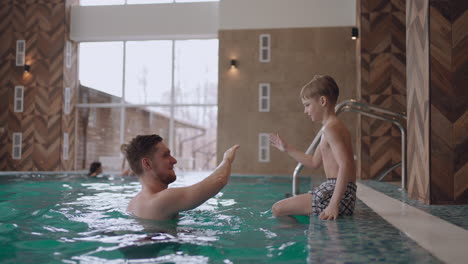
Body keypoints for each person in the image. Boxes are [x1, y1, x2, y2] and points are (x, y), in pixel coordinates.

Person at [269, 75, 356, 221]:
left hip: (338, 193)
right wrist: (287, 148)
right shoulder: (329, 128)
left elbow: (345, 165)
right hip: (338, 191)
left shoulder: (332, 129)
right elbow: (314, 162)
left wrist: (333, 204)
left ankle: (296, 240)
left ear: (322, 101)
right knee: (279, 209)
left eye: (307, 105)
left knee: (277, 209)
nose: (305, 111)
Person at [125, 134, 240, 220]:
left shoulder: (133, 204)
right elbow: (219, 180)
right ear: (147, 164)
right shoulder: (160, 200)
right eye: (165, 155)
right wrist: (227, 159)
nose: (174, 161)